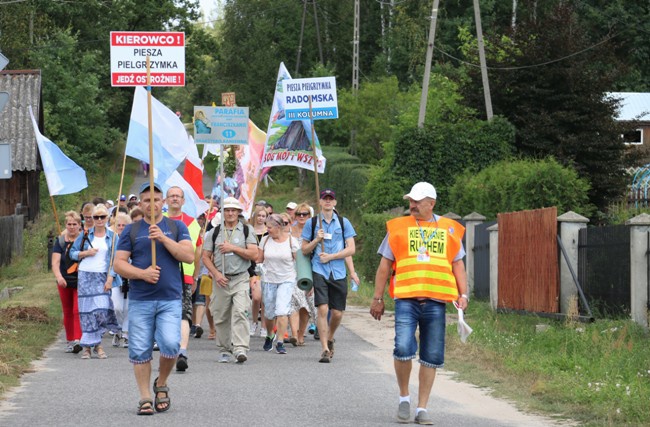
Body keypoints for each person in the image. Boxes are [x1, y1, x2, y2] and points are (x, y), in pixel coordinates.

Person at [370, 182, 468, 425]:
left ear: (431, 203)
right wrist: (377, 298)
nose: (412, 205)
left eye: (417, 201)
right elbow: (384, 265)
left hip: (436, 302)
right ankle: (404, 398)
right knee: (403, 348)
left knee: (431, 355)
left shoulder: (449, 229)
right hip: (406, 299)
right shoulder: (398, 228)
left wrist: (463, 294)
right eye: (410, 201)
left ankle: (422, 408)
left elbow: (458, 264)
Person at [113, 182, 194, 415]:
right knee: (139, 349)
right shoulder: (132, 230)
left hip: (170, 299)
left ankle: (161, 383)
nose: (152, 204)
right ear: (140, 203)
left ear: (164, 202)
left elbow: (188, 256)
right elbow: (118, 264)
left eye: (156, 200)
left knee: (170, 345)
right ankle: (145, 397)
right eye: (146, 200)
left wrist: (164, 239)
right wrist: (142, 274)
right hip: (140, 299)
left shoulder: (176, 227)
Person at [301, 189, 356, 363]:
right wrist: (317, 240)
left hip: (338, 272)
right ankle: (324, 348)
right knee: (323, 309)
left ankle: (330, 337)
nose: (327, 201)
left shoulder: (343, 222)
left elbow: (351, 249)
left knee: (337, 313)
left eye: (330, 199)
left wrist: (334, 259)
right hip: (319, 271)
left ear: (335, 202)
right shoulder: (312, 223)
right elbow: (304, 249)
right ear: (320, 201)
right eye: (325, 198)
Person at [202, 197, 257, 364]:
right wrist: (216, 274)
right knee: (220, 315)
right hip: (221, 280)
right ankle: (225, 349)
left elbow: (254, 254)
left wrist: (232, 248)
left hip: (240, 277)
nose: (230, 213)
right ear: (223, 212)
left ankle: (240, 348)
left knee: (241, 311)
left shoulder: (247, 230)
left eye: (234, 210)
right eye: (227, 210)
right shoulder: (215, 232)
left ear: (239, 212)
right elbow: (205, 257)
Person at [69, 204, 120, 360]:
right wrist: (86, 253)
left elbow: (116, 259)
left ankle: (95, 342)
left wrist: (111, 277)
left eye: (102, 217)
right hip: (85, 276)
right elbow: (72, 253)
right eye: (95, 217)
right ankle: (90, 347)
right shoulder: (85, 234)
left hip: (102, 277)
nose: (99, 220)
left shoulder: (113, 236)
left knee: (101, 310)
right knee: (86, 313)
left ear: (107, 218)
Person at [164, 186, 202, 372]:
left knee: (184, 313)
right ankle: (166, 348)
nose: (175, 199)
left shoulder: (191, 222)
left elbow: (198, 250)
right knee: (163, 313)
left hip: (184, 275)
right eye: (171, 196)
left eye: (178, 196)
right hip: (161, 274)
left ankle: (182, 351)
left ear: (183, 201)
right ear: (165, 200)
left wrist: (195, 275)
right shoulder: (158, 221)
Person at [258, 214, 299, 354]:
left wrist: (303, 280)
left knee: (282, 311)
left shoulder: (291, 242)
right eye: (266, 227)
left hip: (287, 279)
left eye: (270, 227)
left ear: (279, 227)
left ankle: (280, 341)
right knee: (269, 314)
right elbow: (259, 260)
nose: (267, 229)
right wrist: (257, 271)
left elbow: (298, 262)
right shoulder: (264, 240)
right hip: (268, 280)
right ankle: (270, 334)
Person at [51, 210, 83, 353]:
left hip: (80, 280)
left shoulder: (84, 240)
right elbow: (55, 262)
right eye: (69, 224)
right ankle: (70, 340)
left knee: (77, 310)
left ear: (79, 225)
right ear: (65, 225)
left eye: (74, 224)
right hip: (64, 280)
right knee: (68, 311)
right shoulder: (60, 241)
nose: (71, 227)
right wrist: (59, 277)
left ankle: (78, 339)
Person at [288, 203, 316, 346]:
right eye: (299, 214)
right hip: (291, 270)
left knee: (305, 305)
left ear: (309, 216)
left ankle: (301, 333)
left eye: (305, 214)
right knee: (294, 302)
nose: (301, 217)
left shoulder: (313, 233)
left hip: (308, 271)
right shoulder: (289, 231)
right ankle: (293, 334)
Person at [110, 212, 132, 348]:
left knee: (128, 307)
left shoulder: (132, 239)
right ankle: (117, 329)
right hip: (116, 277)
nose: (121, 227)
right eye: (119, 225)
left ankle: (125, 334)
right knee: (117, 307)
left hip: (129, 276)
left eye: (124, 225)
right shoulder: (112, 240)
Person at [248, 206, 268, 337]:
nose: (260, 218)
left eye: (263, 216)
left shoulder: (269, 232)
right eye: (259, 215)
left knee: (265, 299)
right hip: (252, 268)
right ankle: (254, 321)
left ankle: (264, 326)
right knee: (256, 298)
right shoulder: (249, 231)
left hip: (266, 268)